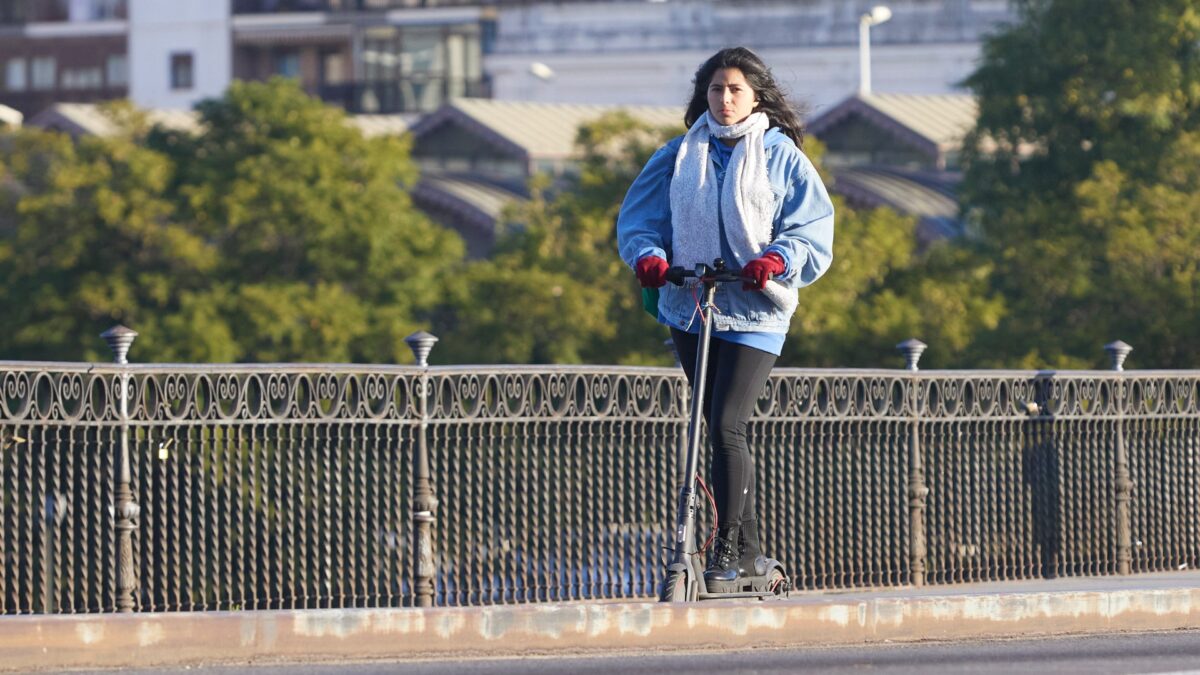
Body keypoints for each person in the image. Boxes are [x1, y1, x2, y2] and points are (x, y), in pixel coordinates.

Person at [616, 47, 835, 584]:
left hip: (757, 311)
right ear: (704, 96)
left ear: (756, 95)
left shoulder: (781, 155)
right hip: (692, 307)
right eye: (716, 89)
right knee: (708, 430)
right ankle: (750, 555)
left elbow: (811, 230)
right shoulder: (676, 154)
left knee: (725, 422)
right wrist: (649, 257)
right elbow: (639, 220)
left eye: (736, 89)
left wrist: (776, 259)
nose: (726, 98)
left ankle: (725, 552)